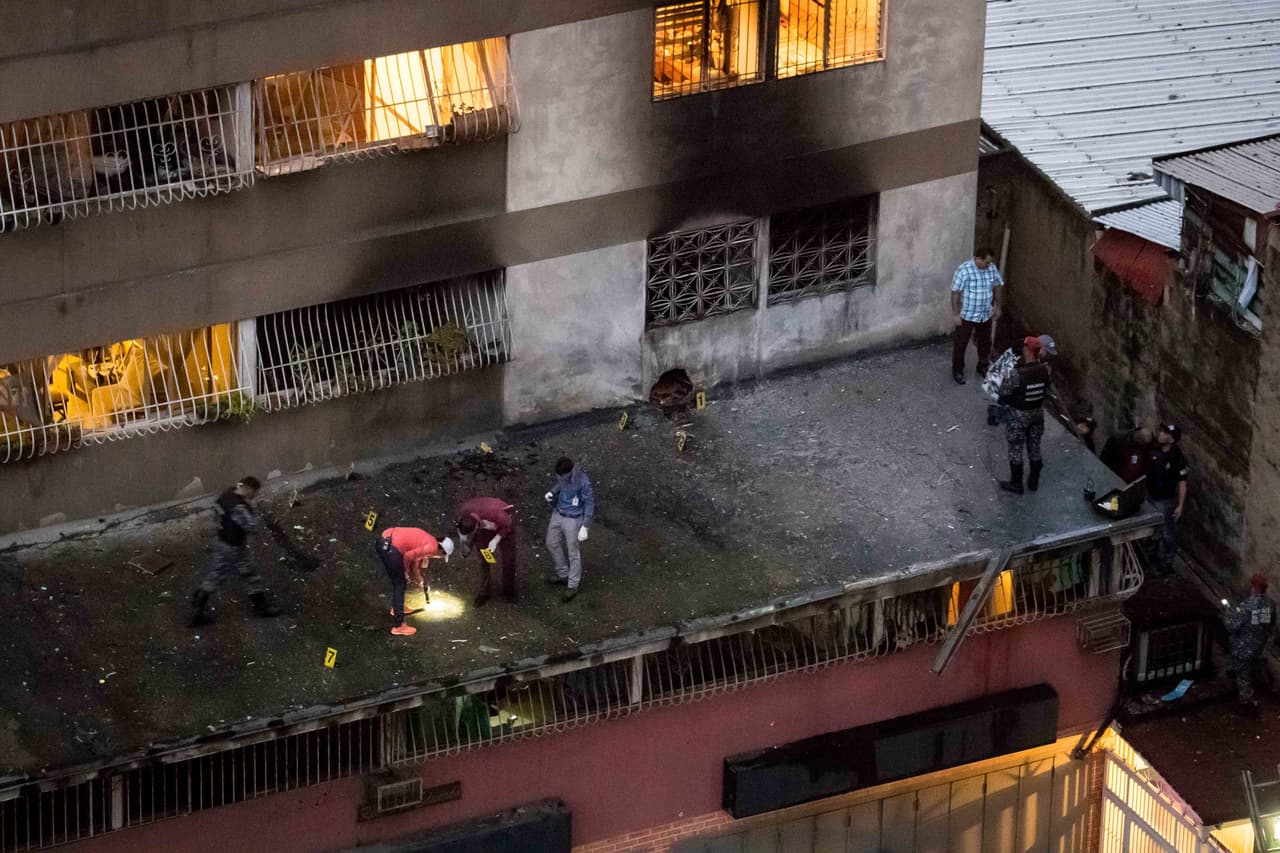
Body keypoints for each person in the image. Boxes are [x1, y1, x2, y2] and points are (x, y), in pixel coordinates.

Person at [190, 477, 281, 627]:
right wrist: (252, 507)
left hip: (222, 541)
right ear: (249, 488)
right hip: (234, 547)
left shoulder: (226, 495)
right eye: (255, 492)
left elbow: (216, 514)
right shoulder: (239, 507)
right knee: (249, 575)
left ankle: (199, 599)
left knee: (216, 574)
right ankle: (262, 608)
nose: (255, 494)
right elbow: (252, 527)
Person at [996, 335, 1055, 495]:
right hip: (1037, 413)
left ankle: (1016, 484)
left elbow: (1003, 392)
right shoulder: (1046, 370)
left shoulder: (1017, 374)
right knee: (1034, 447)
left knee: (1016, 448)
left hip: (1018, 415)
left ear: (1028, 350)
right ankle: (1033, 481)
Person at [375, 527, 454, 637]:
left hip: (384, 542)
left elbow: (414, 562)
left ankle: (399, 608)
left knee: (400, 581)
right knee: (400, 585)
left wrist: (419, 580)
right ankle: (399, 626)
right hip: (391, 548)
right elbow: (407, 557)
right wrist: (405, 573)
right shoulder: (432, 547)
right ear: (441, 550)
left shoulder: (428, 541)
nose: (440, 557)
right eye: (442, 555)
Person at [950, 248, 1005, 385]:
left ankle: (982, 365)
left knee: (985, 342)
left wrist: (998, 307)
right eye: (986, 262)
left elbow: (997, 286)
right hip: (967, 315)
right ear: (977, 258)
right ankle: (957, 370)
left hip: (985, 314)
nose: (988, 265)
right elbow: (955, 293)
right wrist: (956, 314)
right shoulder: (964, 270)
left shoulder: (991, 268)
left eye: (990, 262)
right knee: (961, 343)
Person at [544, 456, 595, 602]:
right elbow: (560, 484)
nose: (559, 478)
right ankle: (563, 574)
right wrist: (552, 492)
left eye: (562, 476)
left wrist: (585, 526)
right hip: (558, 513)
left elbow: (589, 503)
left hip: (573, 519)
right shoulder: (563, 475)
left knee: (573, 553)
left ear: (569, 473)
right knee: (551, 543)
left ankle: (572, 585)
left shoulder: (583, 482)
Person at [1223, 573, 1275, 714]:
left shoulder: (1247, 606)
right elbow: (1267, 625)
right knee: (1249, 668)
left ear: (1253, 587)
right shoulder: (1269, 604)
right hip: (1257, 646)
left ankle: (1246, 703)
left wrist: (1228, 612)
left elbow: (1231, 626)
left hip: (1242, 647)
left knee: (1243, 675)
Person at [454, 497, 517, 607]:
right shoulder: (463, 512)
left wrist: (496, 539)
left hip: (504, 528)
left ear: (477, 525)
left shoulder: (496, 513)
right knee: (484, 559)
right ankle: (484, 592)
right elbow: (466, 534)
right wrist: (466, 546)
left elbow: (508, 525)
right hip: (484, 530)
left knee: (508, 560)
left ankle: (508, 591)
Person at [1146, 424, 1189, 573]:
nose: (1161, 434)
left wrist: (1180, 505)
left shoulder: (1177, 457)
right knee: (1151, 528)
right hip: (1150, 495)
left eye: (1165, 433)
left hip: (1165, 500)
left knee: (1167, 532)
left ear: (1171, 440)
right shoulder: (1154, 449)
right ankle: (1151, 554)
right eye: (1162, 431)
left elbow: (1182, 482)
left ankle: (1167, 562)